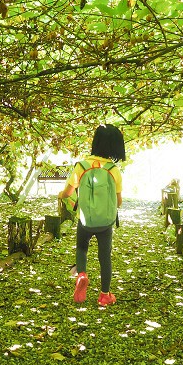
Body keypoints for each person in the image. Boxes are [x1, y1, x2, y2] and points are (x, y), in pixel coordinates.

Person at [58, 124, 125, 306]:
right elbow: (118, 201)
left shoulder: (81, 166)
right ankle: (104, 295)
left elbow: (68, 191)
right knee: (105, 257)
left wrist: (61, 196)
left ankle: (82, 274)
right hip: (106, 223)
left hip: (85, 220)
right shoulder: (114, 171)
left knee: (81, 248)